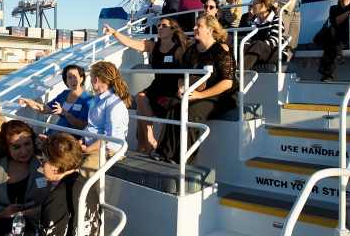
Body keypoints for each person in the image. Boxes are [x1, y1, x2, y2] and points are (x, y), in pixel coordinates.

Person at [151, 14, 239, 165]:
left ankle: (187, 162)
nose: (194, 28)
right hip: (196, 92)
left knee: (190, 111)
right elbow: (182, 77)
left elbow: (227, 83)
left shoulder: (221, 49)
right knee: (174, 105)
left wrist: (199, 95)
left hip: (222, 96)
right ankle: (166, 152)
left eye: (199, 25)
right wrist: (181, 87)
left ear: (210, 30)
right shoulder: (191, 51)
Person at [103, 18, 187, 153]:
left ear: (173, 30)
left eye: (164, 26)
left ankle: (143, 148)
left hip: (171, 89)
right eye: (158, 25)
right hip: (156, 87)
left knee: (139, 109)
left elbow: (185, 75)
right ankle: (149, 138)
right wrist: (114, 32)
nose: (160, 28)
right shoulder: (153, 46)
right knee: (141, 97)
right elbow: (131, 43)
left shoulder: (179, 52)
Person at [0, 120, 52, 236]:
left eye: (27, 144)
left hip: (36, 227)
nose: (24, 151)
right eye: (16, 147)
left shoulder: (44, 162)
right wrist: (1, 212)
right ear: (7, 147)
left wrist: (51, 146)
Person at [39, 133, 101, 236]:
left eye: (43, 161)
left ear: (56, 165)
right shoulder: (87, 186)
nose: (42, 166)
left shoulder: (56, 197)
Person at [80, 61, 131, 178]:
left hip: (108, 149)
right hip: (92, 144)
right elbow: (92, 126)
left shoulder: (114, 102)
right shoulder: (98, 98)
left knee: (80, 175)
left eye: (91, 77)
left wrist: (87, 149)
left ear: (96, 79)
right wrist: (82, 139)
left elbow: (108, 136)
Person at [20, 65, 91, 136]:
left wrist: (66, 114)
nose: (72, 80)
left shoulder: (87, 100)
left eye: (75, 77)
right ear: (66, 81)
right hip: (54, 132)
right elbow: (45, 109)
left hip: (67, 138)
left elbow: (82, 127)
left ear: (81, 78)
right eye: (69, 77)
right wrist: (30, 102)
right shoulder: (64, 94)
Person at [318, 0, 350, 82]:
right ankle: (337, 54)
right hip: (336, 36)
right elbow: (335, 21)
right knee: (332, 34)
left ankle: (327, 75)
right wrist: (348, 13)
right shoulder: (333, 8)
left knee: (331, 38)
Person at [242, 0, 287, 70]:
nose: (252, 6)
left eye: (254, 3)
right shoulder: (254, 21)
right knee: (235, 47)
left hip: (276, 54)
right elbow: (248, 39)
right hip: (258, 51)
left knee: (259, 45)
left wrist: (252, 46)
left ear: (262, 6)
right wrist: (246, 46)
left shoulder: (276, 20)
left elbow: (274, 41)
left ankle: (237, 73)